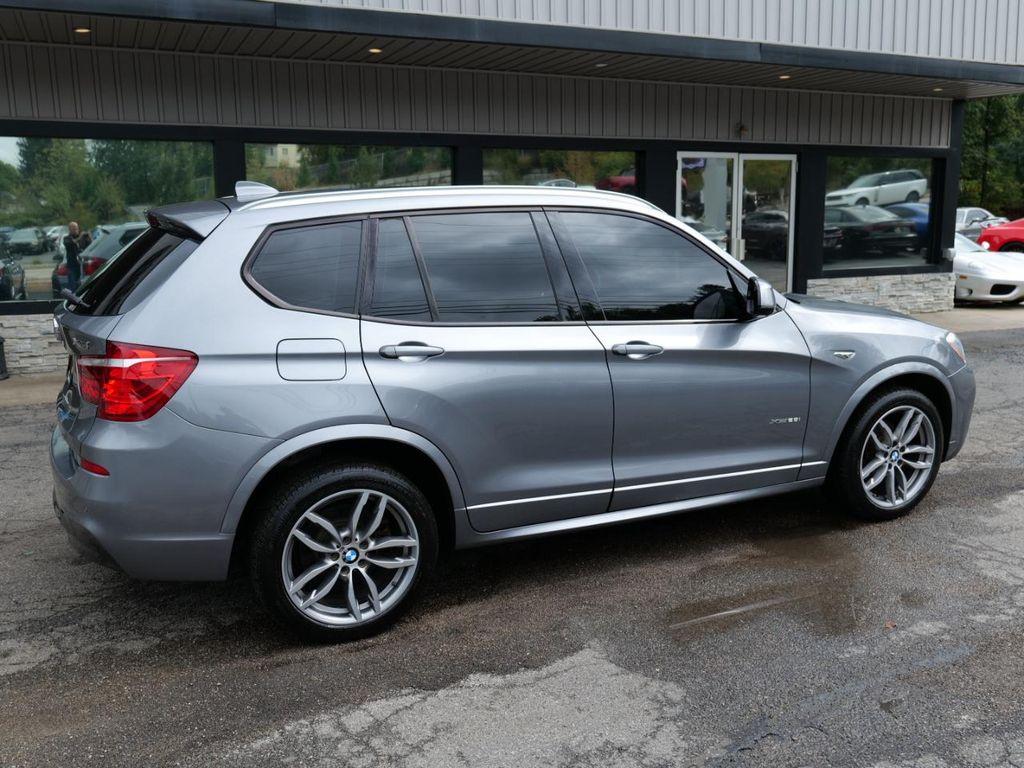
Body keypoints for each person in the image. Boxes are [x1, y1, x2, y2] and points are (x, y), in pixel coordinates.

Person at [62, 221, 91, 292]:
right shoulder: (66, 238)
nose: (76, 230)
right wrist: (81, 236)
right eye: (74, 228)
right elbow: (72, 243)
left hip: (82, 264)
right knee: (73, 285)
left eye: (76, 228)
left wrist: (89, 237)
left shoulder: (82, 237)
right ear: (70, 229)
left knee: (83, 285)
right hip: (72, 265)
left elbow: (90, 246)